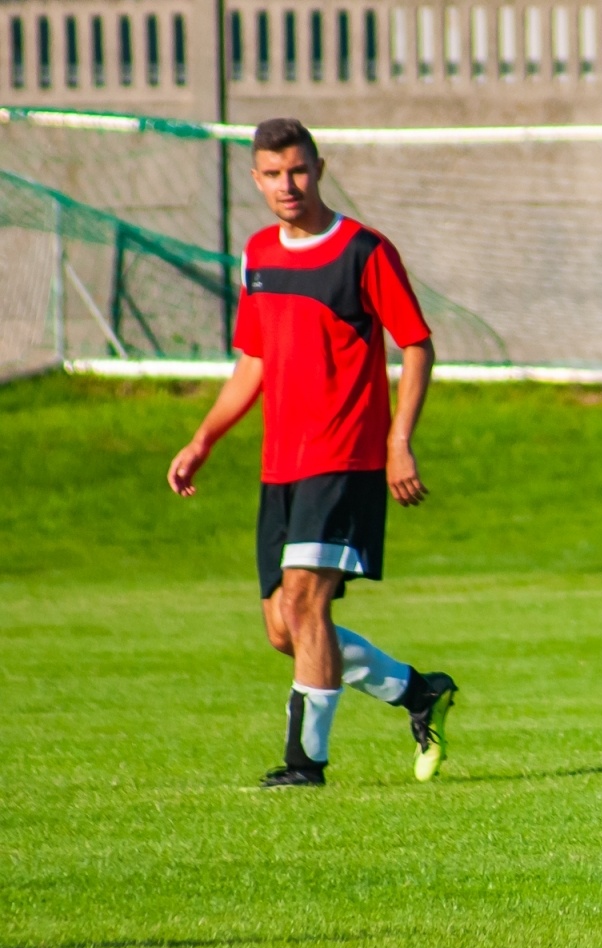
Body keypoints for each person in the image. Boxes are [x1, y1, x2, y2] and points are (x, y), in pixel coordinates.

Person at [166, 117, 458, 788]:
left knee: (306, 609)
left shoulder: (363, 250)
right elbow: (253, 361)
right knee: (282, 628)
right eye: (273, 174)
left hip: (346, 456)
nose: (287, 185)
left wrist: (399, 442)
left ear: (319, 169)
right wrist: (203, 438)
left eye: (298, 170)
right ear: (255, 180)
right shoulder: (260, 254)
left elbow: (416, 344)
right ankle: (418, 692)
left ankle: (306, 765)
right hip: (282, 467)